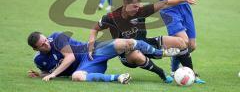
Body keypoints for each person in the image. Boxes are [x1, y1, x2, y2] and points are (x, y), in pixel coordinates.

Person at [88, 0, 197, 83]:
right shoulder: (111, 17)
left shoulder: (141, 11)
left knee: (181, 42)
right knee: (136, 55)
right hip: (128, 53)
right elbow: (94, 28)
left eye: (139, 6)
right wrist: (91, 44)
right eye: (134, 6)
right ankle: (161, 73)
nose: (137, 9)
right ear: (125, 4)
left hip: (146, 43)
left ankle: (191, 74)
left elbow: (165, 3)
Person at [27, 31, 173, 83]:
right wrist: (41, 74)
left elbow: (70, 57)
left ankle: (160, 53)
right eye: (43, 44)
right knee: (76, 76)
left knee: (128, 44)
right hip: (88, 67)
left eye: (45, 40)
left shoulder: (56, 37)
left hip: (92, 51)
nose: (47, 43)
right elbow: (50, 72)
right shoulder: (39, 60)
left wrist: (52, 75)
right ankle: (119, 78)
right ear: (36, 48)